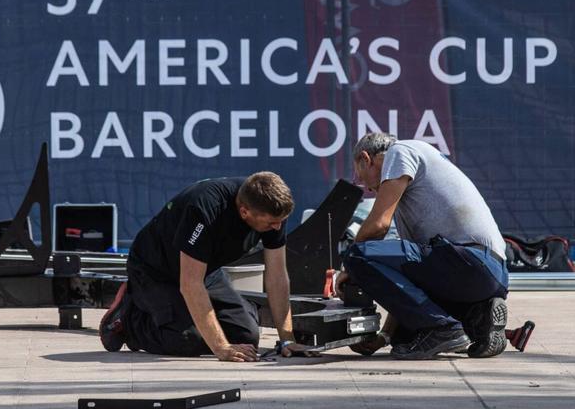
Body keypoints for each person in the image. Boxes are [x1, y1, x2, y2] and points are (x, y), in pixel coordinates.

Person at [99, 173, 314, 361]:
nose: (277, 227)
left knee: (246, 338)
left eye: (281, 221)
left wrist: (287, 340)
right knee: (188, 339)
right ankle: (128, 320)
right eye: (271, 223)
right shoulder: (205, 209)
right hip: (155, 270)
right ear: (244, 212)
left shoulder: (273, 210)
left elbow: (277, 276)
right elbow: (190, 284)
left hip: (205, 270)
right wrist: (221, 348)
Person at [338, 132, 509, 360]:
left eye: (363, 179)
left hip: (469, 262)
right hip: (490, 277)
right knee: (406, 337)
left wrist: (348, 267)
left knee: (357, 255)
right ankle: (479, 318)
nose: (369, 189)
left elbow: (378, 225)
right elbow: (406, 283)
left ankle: (443, 329)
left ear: (366, 159)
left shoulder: (399, 152)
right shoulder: (413, 200)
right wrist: (385, 336)